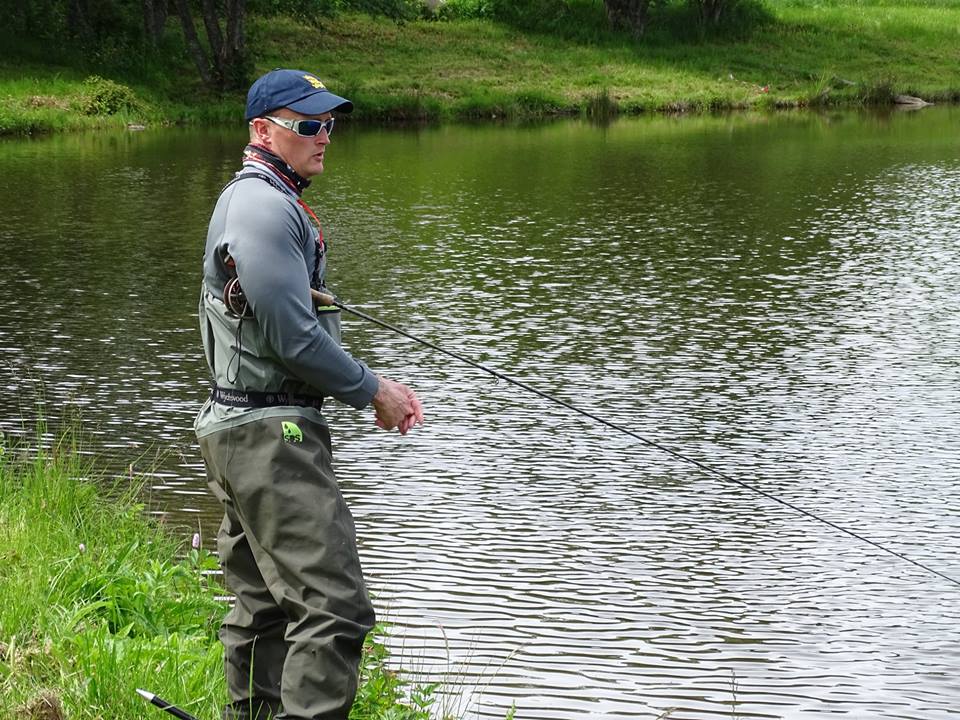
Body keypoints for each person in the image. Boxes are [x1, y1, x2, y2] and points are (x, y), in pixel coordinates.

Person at [195, 68, 423, 720]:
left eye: (330, 124)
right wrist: (373, 389)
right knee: (334, 607)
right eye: (309, 125)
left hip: (243, 429)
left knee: (264, 605)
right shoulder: (263, 207)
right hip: (268, 437)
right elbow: (294, 339)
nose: (325, 136)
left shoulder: (264, 201)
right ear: (262, 131)